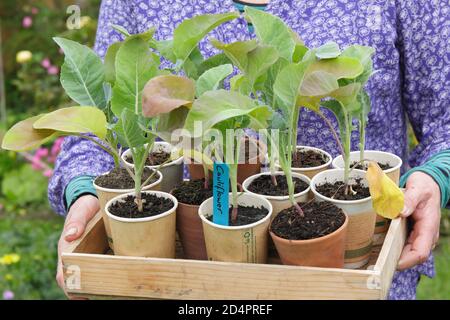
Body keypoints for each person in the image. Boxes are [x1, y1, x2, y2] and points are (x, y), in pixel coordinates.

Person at [51, 0, 450, 299]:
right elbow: (99, 122)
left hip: (353, 282)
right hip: (179, 288)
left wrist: (437, 176)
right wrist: (85, 189)